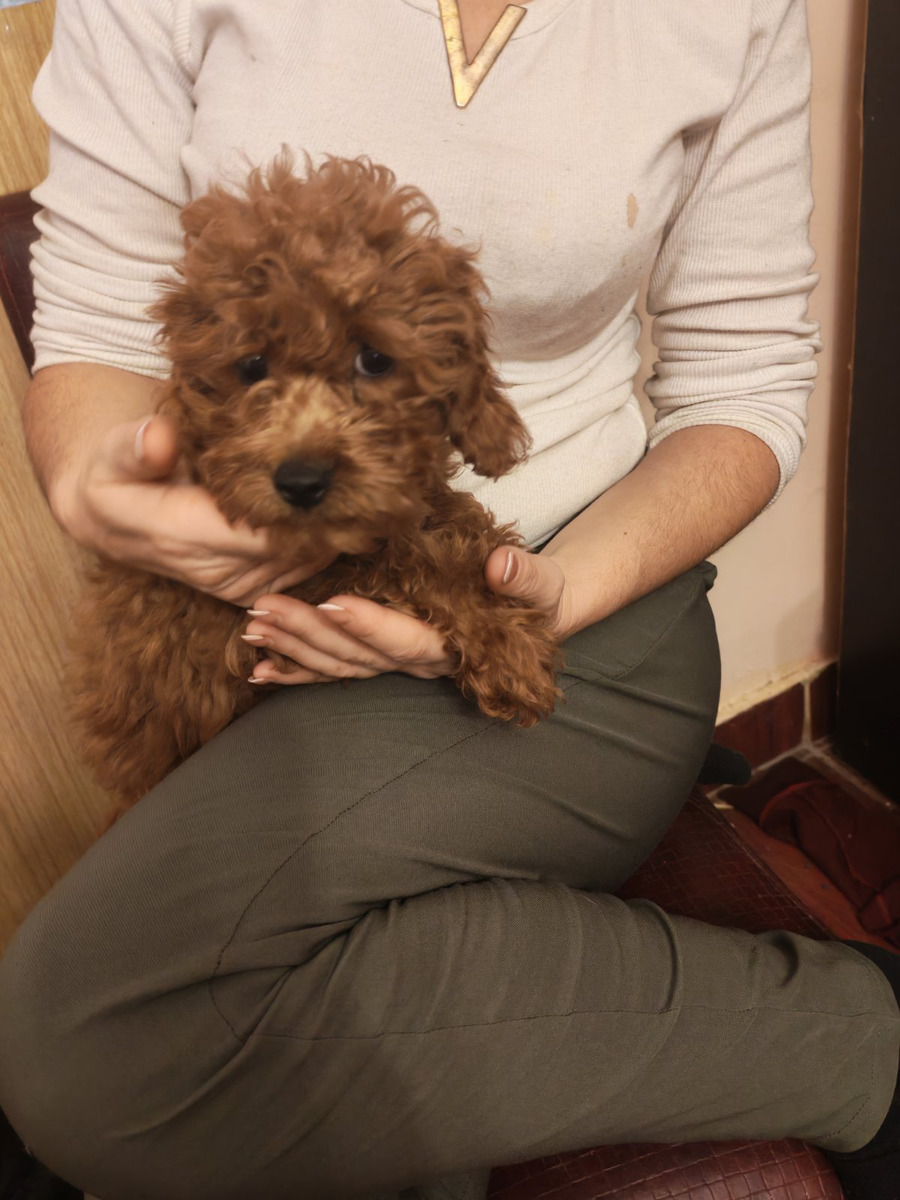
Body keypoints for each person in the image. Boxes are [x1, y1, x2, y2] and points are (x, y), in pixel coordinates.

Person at [0, 1, 898, 1198]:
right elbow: (98, 326)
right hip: (256, 630)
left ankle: (859, 1039)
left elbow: (746, 385)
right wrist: (126, 503)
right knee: (108, 1024)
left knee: (79, 1039)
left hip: (586, 614)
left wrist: (549, 595)